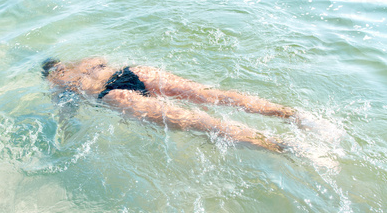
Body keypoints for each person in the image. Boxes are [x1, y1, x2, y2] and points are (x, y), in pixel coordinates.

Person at [42, 57, 298, 152]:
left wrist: (64, 131)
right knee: (209, 94)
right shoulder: (88, 60)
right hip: (133, 73)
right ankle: (293, 115)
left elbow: (66, 111)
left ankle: (282, 146)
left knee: (200, 123)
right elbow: (105, 60)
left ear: (51, 72)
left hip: (113, 95)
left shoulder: (56, 82)